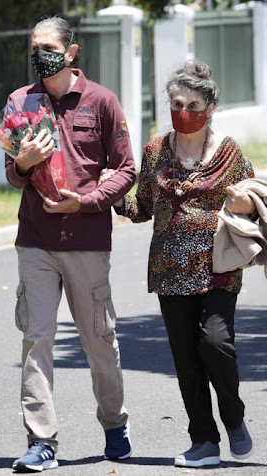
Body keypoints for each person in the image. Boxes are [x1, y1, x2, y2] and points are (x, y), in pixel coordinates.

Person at [100, 60, 256, 468]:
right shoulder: (155, 151)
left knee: (215, 343)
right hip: (170, 270)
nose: (183, 111)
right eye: (176, 102)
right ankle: (203, 440)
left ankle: (233, 417)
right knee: (186, 360)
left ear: (210, 106)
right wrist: (114, 195)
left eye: (192, 103)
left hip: (218, 265)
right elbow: (143, 207)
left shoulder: (229, 152)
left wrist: (245, 203)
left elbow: (255, 199)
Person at [3, 16, 137, 473]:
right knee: (37, 338)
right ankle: (41, 441)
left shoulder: (102, 101)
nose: (40, 52)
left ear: (71, 52)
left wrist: (86, 202)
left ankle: (114, 423)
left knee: (99, 340)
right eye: (34, 44)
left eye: (48, 45)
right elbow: (10, 174)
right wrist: (22, 163)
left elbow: (126, 169)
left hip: (86, 240)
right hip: (35, 241)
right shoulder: (20, 102)